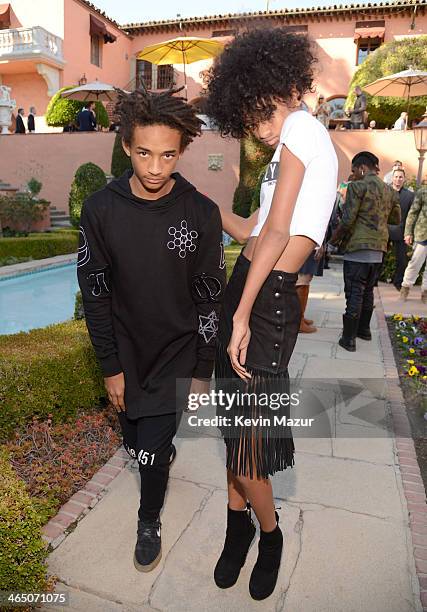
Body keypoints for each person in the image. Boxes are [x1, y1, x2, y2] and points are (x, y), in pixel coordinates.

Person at [205, 27, 338, 601]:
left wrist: (240, 315)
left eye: (258, 110)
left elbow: (281, 234)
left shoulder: (304, 127)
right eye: (245, 116)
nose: (256, 126)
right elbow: (255, 230)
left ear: (280, 86)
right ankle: (237, 530)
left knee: (249, 445)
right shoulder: (290, 147)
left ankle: (270, 534)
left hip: (268, 294)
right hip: (253, 281)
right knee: (237, 430)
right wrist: (205, 205)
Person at [77, 88, 225, 573]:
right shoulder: (100, 209)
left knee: (151, 454)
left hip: (177, 351)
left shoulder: (200, 212)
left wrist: (202, 371)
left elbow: (209, 297)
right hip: (126, 348)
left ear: (181, 151)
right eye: (144, 153)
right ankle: (154, 450)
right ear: (125, 147)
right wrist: (110, 367)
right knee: (134, 438)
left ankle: (149, 518)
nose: (156, 168)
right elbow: (95, 292)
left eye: (167, 154)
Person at [330, 152, 401, 351]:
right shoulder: (389, 190)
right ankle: (364, 331)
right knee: (368, 290)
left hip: (358, 248)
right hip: (379, 250)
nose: (353, 174)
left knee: (354, 292)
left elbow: (348, 219)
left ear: (362, 168)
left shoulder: (357, 186)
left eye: (354, 170)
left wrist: (333, 241)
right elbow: (395, 219)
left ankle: (349, 339)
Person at [387, 168, 414, 290]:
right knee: (379, 257)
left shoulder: (409, 195)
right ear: (392, 178)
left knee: (402, 260)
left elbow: (411, 215)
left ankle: (398, 282)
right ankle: (374, 280)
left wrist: (409, 233)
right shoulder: (385, 192)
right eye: (396, 177)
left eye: (400, 177)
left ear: (404, 179)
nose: (398, 179)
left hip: (401, 231)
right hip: (384, 230)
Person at [400, 184, 427, 303]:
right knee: (415, 263)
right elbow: (413, 213)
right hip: (423, 233)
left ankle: (425, 293)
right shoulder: (423, 192)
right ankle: (405, 288)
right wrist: (408, 232)